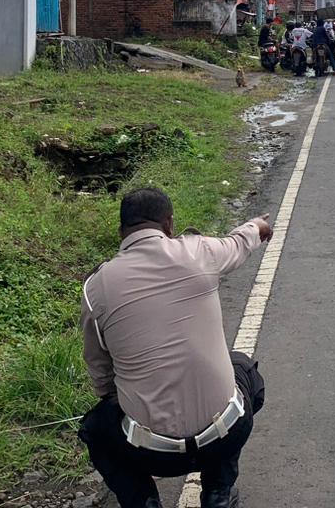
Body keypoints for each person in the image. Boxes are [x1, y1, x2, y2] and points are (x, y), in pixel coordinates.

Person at [78, 187, 272, 508]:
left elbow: (100, 374)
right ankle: (218, 493)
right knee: (243, 369)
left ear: (121, 232)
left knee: (97, 428)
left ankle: (143, 502)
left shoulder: (96, 288)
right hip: (224, 436)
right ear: (169, 224)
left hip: (151, 453)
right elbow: (238, 243)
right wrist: (257, 226)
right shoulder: (200, 251)